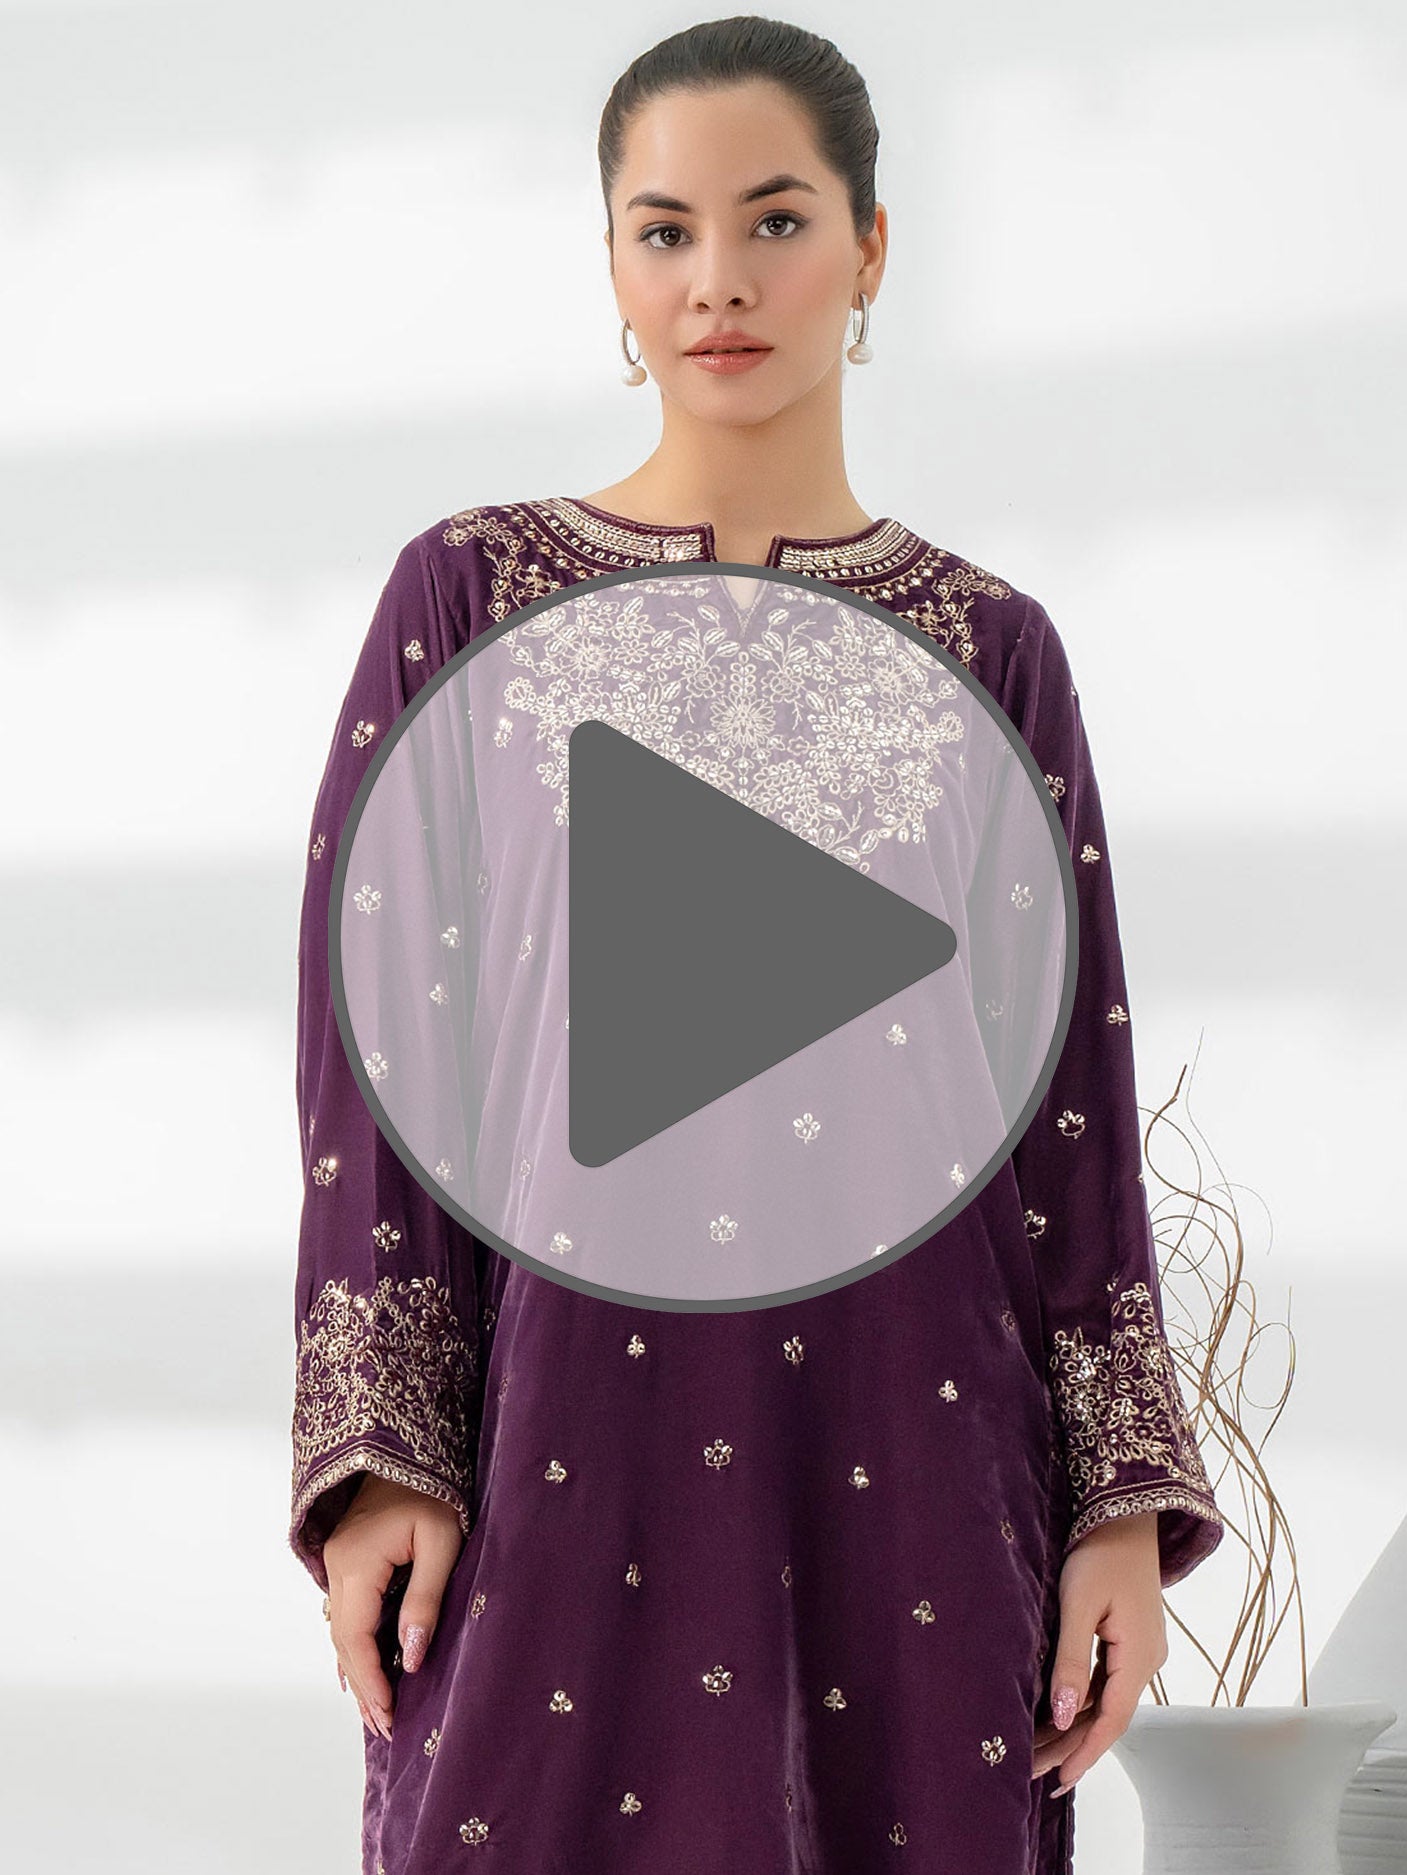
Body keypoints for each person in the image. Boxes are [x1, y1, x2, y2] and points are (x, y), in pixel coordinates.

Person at [288, 18, 1224, 1873]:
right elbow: (373, 1052)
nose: (717, 280)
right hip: (560, 1432)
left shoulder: (991, 648)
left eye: (776, 221)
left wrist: (1115, 1503)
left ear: (871, 249)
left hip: (920, 1433)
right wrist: (387, 1450)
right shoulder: (468, 598)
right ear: (612, 264)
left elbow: (1069, 1106)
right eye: (665, 231)